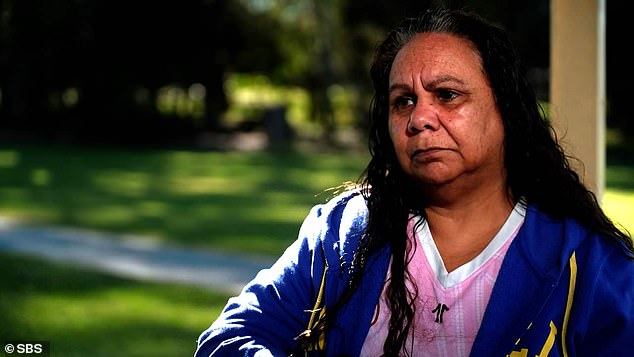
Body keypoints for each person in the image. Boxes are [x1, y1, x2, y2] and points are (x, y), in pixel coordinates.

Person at [194, 8, 634, 356]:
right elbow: (228, 338)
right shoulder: (343, 236)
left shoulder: (588, 265)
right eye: (403, 101)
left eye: (447, 95)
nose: (420, 118)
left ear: (506, 110)